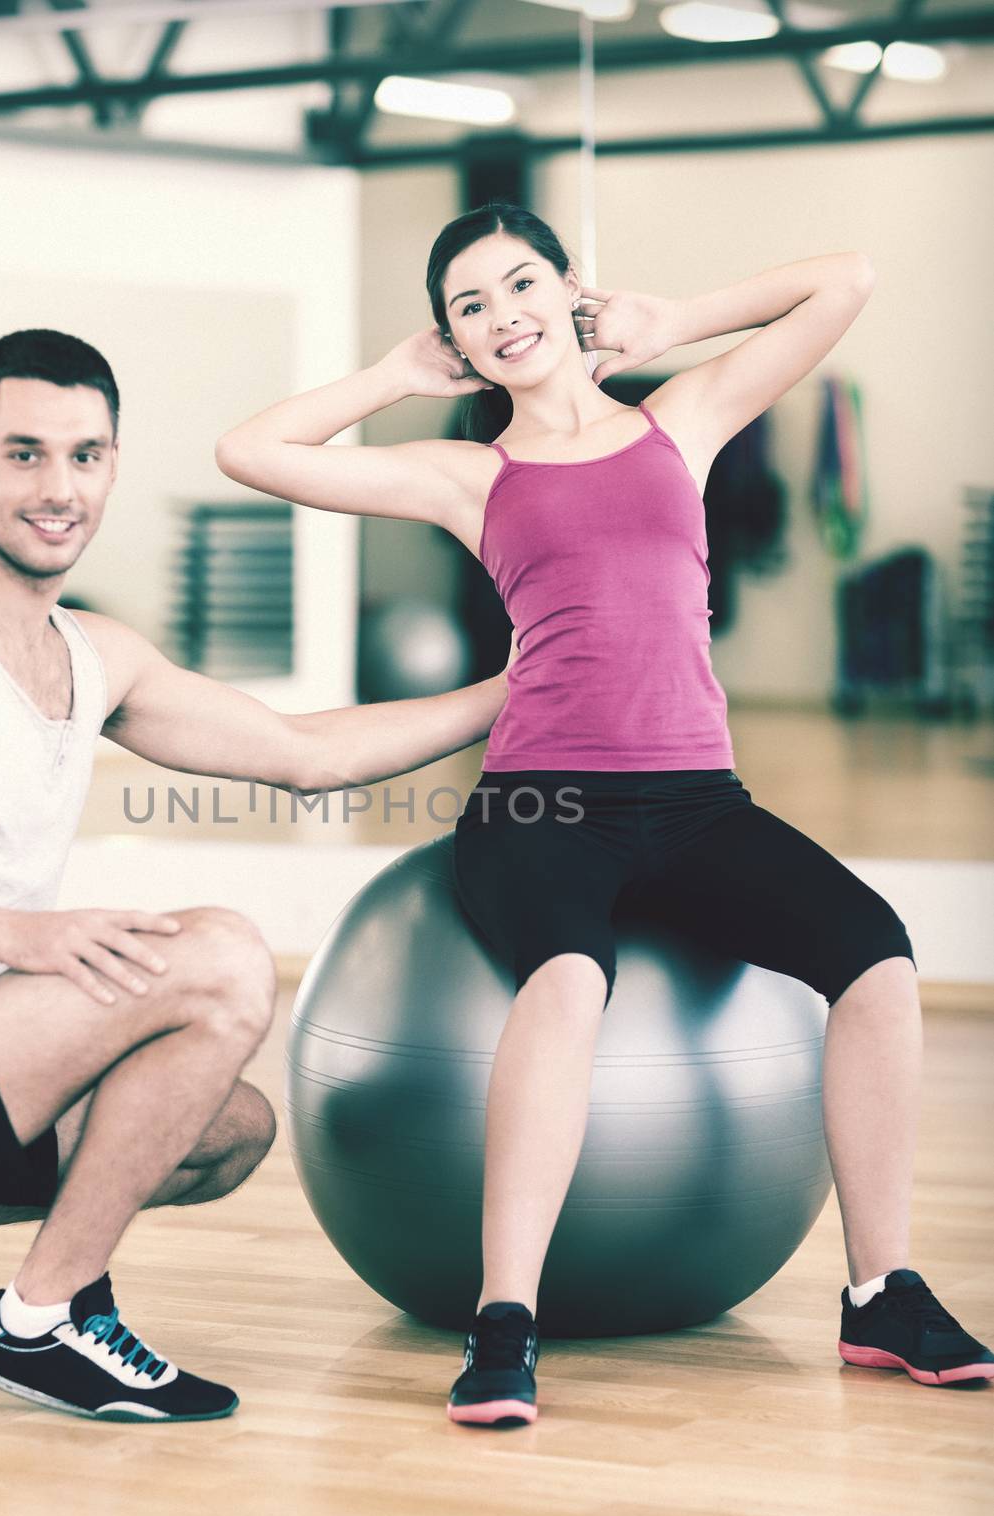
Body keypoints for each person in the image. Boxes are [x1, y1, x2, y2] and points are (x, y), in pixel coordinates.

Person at [215, 202, 994, 1425]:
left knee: (878, 959)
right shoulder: (468, 474)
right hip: (543, 800)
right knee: (569, 979)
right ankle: (503, 1320)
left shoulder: (677, 424)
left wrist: (673, 320)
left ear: (565, 290)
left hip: (696, 804)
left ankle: (879, 1292)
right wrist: (387, 375)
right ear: (457, 347)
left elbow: (844, 277)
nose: (500, 316)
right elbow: (251, 451)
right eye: (468, 307)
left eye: (518, 284)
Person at [0, 328, 512, 1424]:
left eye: (84, 456)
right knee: (224, 957)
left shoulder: (96, 654)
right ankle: (39, 1320)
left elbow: (306, 754)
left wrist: (527, 683)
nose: (58, 488)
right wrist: (21, 936)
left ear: (113, 464)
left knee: (224, 1131)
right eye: (25, 454)